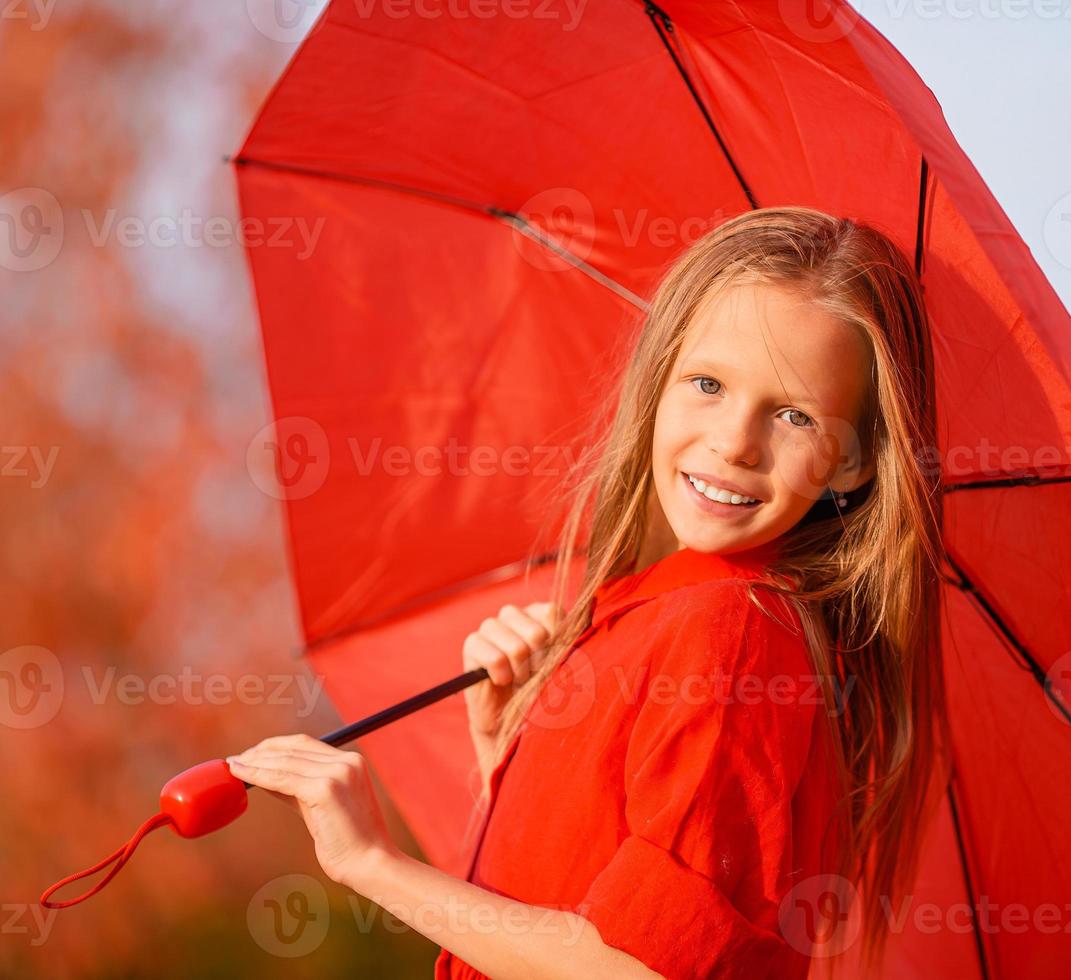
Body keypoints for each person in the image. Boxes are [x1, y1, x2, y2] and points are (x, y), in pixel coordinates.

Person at [227, 206, 945, 979]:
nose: (735, 442)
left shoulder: (727, 631)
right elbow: (561, 912)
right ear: (659, 381)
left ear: (853, 463)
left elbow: (638, 969)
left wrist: (371, 863)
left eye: (795, 414)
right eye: (707, 383)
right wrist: (507, 750)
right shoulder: (652, 616)